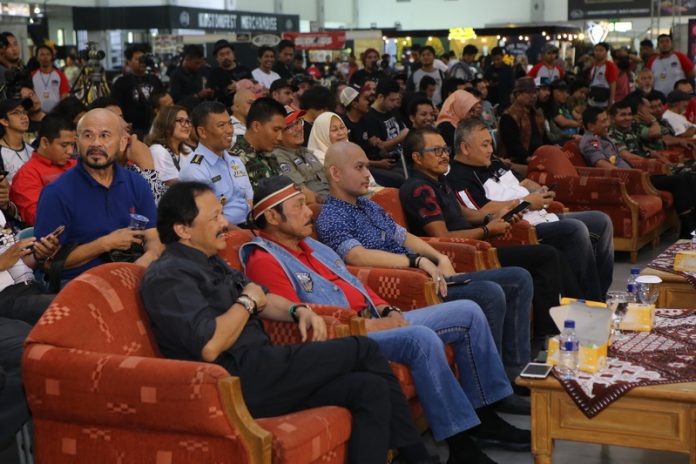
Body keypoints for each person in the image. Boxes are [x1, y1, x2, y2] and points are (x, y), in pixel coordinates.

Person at [140, 181, 432, 464]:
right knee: (363, 349)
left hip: (264, 366)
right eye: (215, 217)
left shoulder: (211, 260)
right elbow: (210, 344)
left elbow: (263, 297)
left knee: (368, 388)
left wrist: (297, 310)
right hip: (231, 380)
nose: (225, 223)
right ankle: (419, 458)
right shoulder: (169, 276)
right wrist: (247, 302)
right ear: (183, 229)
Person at [242, 176, 531, 462]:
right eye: (298, 206)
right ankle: (461, 445)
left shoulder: (312, 245)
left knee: (468, 312)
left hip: (375, 318)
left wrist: (386, 309)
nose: (309, 212)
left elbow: (353, 281)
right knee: (420, 339)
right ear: (273, 217)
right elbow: (294, 321)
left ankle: (486, 413)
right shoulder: (264, 260)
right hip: (346, 337)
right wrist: (370, 324)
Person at [315, 141, 534, 387]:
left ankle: (516, 370)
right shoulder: (331, 216)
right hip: (406, 287)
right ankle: (493, 386)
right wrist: (416, 261)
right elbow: (356, 257)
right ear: (335, 173)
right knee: (489, 293)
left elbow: (405, 237)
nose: (368, 174)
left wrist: (439, 257)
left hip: (428, 275)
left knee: (518, 278)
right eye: (359, 167)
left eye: (367, 166)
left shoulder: (368, 204)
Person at [401, 127, 580, 336]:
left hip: (476, 242)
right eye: (437, 151)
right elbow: (442, 237)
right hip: (461, 254)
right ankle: (550, 334)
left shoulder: (438, 179)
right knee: (546, 256)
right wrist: (486, 230)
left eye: (445, 149)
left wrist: (491, 217)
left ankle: (575, 320)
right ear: (417, 157)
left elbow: (463, 213)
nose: (445, 155)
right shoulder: (419, 189)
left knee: (553, 253)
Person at [448, 118, 615, 301]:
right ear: (465, 148)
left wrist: (540, 192)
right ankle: (587, 302)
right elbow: (482, 212)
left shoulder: (493, 162)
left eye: (490, 144)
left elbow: (524, 182)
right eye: (485, 145)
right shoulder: (458, 177)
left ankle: (600, 295)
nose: (490, 150)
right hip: (519, 227)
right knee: (575, 229)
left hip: (540, 215)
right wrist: (525, 202)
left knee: (601, 221)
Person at [34, 109, 162, 285]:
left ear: (122, 143)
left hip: (135, 275)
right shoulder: (56, 192)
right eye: (88, 136)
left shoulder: (136, 182)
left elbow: (153, 237)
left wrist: (145, 260)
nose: (96, 143)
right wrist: (105, 244)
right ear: (77, 142)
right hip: (80, 284)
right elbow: (48, 263)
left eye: (104, 135)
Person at [581, 106, 696, 239]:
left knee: (688, 178)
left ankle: (690, 225)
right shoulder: (591, 142)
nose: (607, 124)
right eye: (603, 121)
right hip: (629, 181)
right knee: (680, 180)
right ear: (591, 126)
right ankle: (688, 228)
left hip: (636, 176)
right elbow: (601, 163)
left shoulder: (601, 138)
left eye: (607, 120)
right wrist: (630, 175)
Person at [179, 101, 253, 226]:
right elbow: (207, 219)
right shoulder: (194, 169)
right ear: (202, 132)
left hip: (248, 224)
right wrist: (243, 234)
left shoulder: (235, 159)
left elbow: (249, 199)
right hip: (220, 231)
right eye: (221, 125)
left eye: (230, 123)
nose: (230, 130)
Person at [10, 115, 76, 225]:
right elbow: (40, 217)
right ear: (45, 142)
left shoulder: (76, 165)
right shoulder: (27, 175)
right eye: (64, 145)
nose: (70, 151)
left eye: (72, 145)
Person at [111, 44, 165, 140]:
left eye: (143, 58)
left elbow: (163, 101)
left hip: (154, 127)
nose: (142, 62)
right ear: (129, 61)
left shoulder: (155, 80)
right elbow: (116, 107)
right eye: (137, 59)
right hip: (132, 130)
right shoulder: (121, 82)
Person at [273, 110, 329, 202]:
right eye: (290, 126)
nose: (299, 128)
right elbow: (301, 191)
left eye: (298, 122)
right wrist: (332, 202)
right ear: (279, 134)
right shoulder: (279, 156)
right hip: (319, 204)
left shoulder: (306, 151)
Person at [362, 78, 409, 187]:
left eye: (396, 99)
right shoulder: (370, 117)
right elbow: (381, 148)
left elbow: (403, 130)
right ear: (380, 97)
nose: (394, 103)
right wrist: (399, 138)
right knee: (402, 178)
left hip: (401, 155)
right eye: (391, 100)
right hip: (385, 161)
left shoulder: (392, 110)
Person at [231, 97, 284, 190]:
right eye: (275, 130)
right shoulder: (235, 160)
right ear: (256, 126)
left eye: (282, 131)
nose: (280, 137)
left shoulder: (271, 156)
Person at [498, 77, 545, 168]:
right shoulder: (508, 116)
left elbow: (544, 138)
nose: (534, 96)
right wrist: (530, 159)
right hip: (517, 161)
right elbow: (512, 146)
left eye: (535, 92)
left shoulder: (537, 114)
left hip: (538, 157)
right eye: (529, 92)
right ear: (518, 94)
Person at [146, 105, 193, 187]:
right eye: (181, 120)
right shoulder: (158, 150)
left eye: (188, 121)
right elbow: (175, 187)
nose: (186, 125)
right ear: (167, 123)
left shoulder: (187, 149)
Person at [208, 40, 251, 109]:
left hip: (246, 108)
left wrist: (239, 85)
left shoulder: (245, 70)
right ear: (216, 58)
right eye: (222, 54)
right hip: (223, 110)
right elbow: (212, 95)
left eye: (228, 53)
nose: (226, 57)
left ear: (233, 54)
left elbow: (252, 87)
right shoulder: (213, 74)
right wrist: (228, 89)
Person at [0, 97, 33, 184]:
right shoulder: (1, 153)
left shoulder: (33, 149)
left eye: (24, 112)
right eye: (16, 113)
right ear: (4, 121)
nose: (24, 117)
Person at [30, 44, 69, 114]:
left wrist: (59, 111)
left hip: (56, 114)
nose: (45, 57)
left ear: (52, 57)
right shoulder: (32, 75)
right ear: (37, 58)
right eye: (42, 54)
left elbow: (64, 96)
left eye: (48, 54)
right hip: (37, 114)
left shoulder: (61, 75)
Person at [588, 42, 618, 107]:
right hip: (592, 100)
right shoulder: (593, 65)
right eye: (596, 50)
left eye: (601, 50)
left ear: (606, 52)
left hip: (604, 102)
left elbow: (613, 85)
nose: (598, 53)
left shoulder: (610, 66)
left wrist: (610, 103)